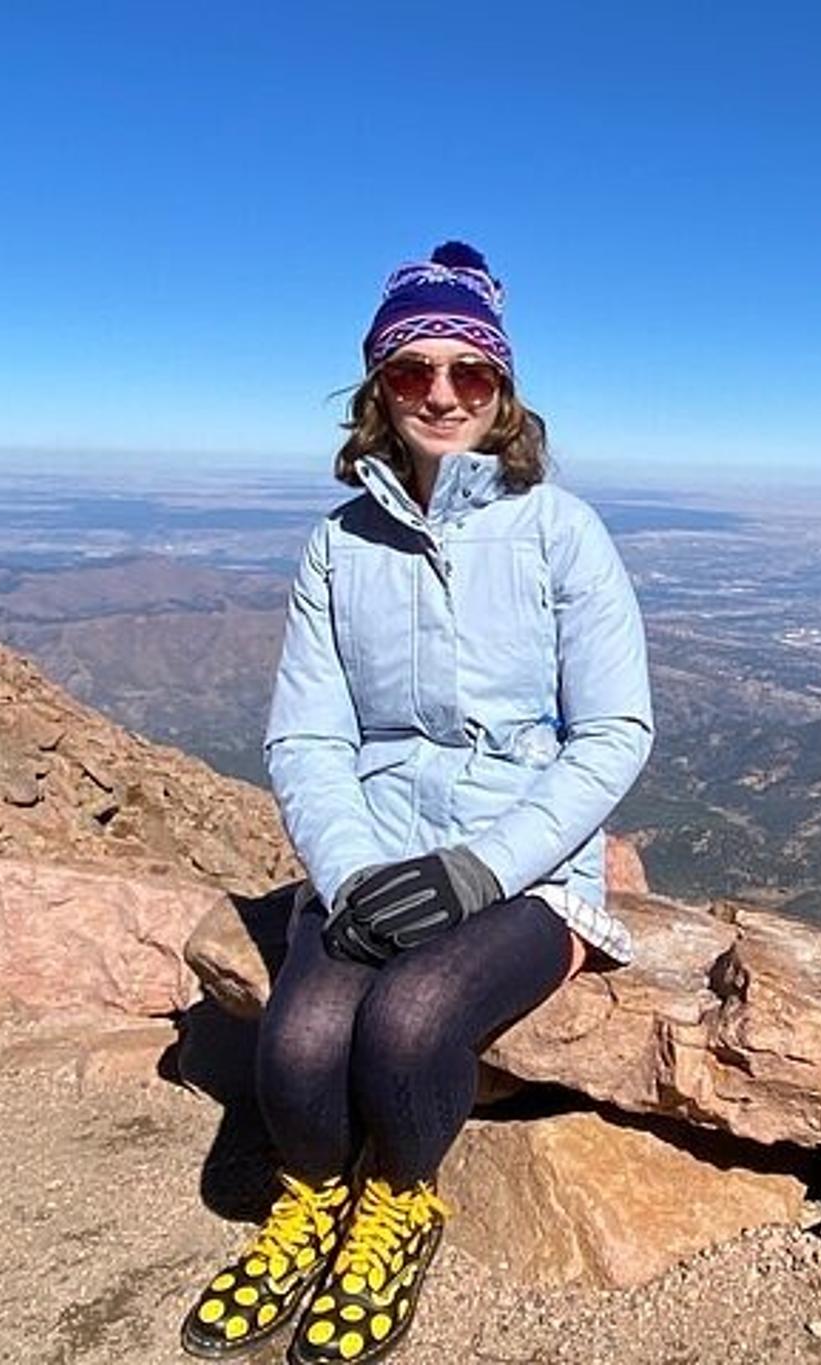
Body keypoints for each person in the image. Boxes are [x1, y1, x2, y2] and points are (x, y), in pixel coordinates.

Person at [180, 242, 652, 1364]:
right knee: (297, 1044)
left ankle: (396, 1208)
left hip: (524, 863)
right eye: (412, 371)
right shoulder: (338, 547)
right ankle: (309, 1209)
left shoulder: (560, 532)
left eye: (467, 373)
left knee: (406, 1023)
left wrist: (484, 871)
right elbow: (307, 734)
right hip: (375, 849)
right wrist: (345, 875)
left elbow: (613, 733)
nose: (440, 394)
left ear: (501, 392)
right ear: (378, 391)